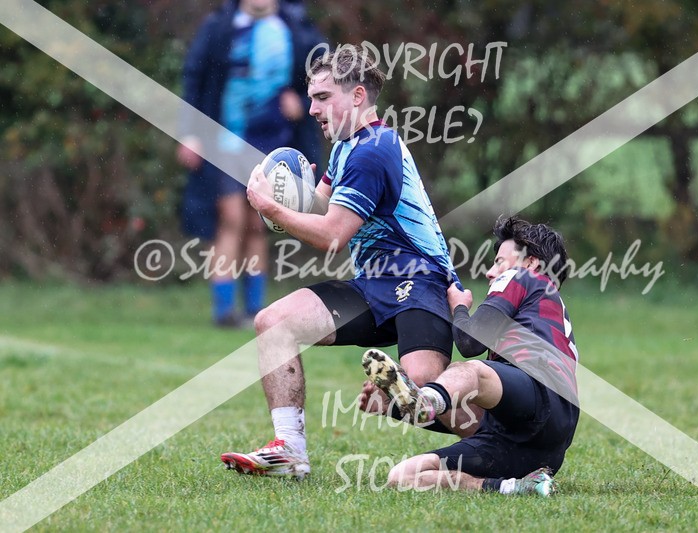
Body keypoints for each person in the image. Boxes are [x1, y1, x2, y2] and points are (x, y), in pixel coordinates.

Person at [220, 45, 460, 478]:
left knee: (419, 396)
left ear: (358, 96)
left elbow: (332, 235)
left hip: (418, 283)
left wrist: (270, 209)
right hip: (372, 286)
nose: (312, 108)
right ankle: (289, 449)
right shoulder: (347, 147)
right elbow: (322, 209)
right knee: (273, 322)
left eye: (323, 97)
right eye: (311, 98)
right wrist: (290, 190)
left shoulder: (373, 151)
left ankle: (509, 437)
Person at [361, 216, 580, 495]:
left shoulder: (523, 277)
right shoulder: (542, 312)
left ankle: (426, 399)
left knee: (469, 371)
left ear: (531, 263)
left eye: (499, 262)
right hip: (538, 448)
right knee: (402, 475)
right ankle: (512, 487)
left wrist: (460, 307)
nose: (490, 272)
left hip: (542, 393)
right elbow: (472, 421)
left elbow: (470, 342)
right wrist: (393, 408)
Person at [177, 0, 324, 327]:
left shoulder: (297, 28)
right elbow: (194, 79)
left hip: (276, 144)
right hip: (226, 139)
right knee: (231, 219)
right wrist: (189, 133)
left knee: (259, 223)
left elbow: (327, 80)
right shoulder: (219, 26)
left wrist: (302, 103)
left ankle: (255, 309)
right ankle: (224, 311)